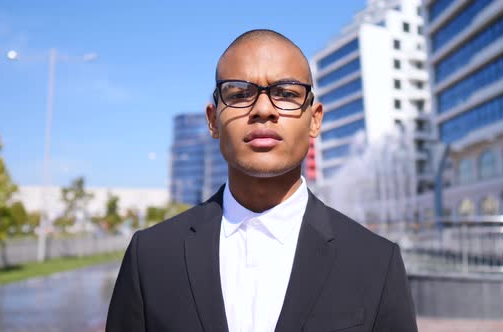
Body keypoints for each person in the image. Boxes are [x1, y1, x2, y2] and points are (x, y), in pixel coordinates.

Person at [106, 29, 418, 332]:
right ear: (213, 120)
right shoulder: (150, 256)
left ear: (315, 119)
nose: (263, 110)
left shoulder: (376, 262)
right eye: (240, 94)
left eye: (286, 94)